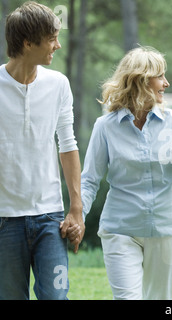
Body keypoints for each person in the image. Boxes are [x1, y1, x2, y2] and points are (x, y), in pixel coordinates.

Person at [81, 46, 172, 300]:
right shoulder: (106, 126)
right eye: (160, 77)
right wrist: (77, 216)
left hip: (168, 230)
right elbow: (89, 179)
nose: (167, 83)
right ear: (141, 80)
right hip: (120, 229)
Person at [0, 2, 84, 300]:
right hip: (4, 219)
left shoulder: (58, 84)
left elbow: (68, 144)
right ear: (27, 42)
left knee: (57, 296)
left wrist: (76, 208)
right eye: (51, 39)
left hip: (50, 217)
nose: (58, 46)